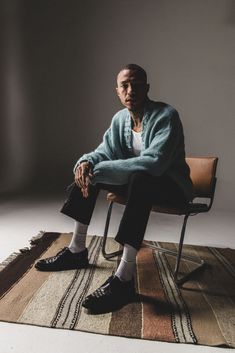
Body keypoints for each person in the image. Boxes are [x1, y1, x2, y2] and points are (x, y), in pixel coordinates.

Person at [35, 64, 194, 313]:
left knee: (141, 178)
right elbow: (104, 152)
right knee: (90, 173)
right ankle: (77, 250)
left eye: (137, 85)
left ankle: (124, 278)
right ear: (117, 91)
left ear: (147, 88)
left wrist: (102, 170)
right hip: (139, 183)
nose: (131, 90)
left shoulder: (166, 116)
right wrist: (86, 163)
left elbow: (154, 163)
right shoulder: (120, 119)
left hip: (171, 186)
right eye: (125, 85)